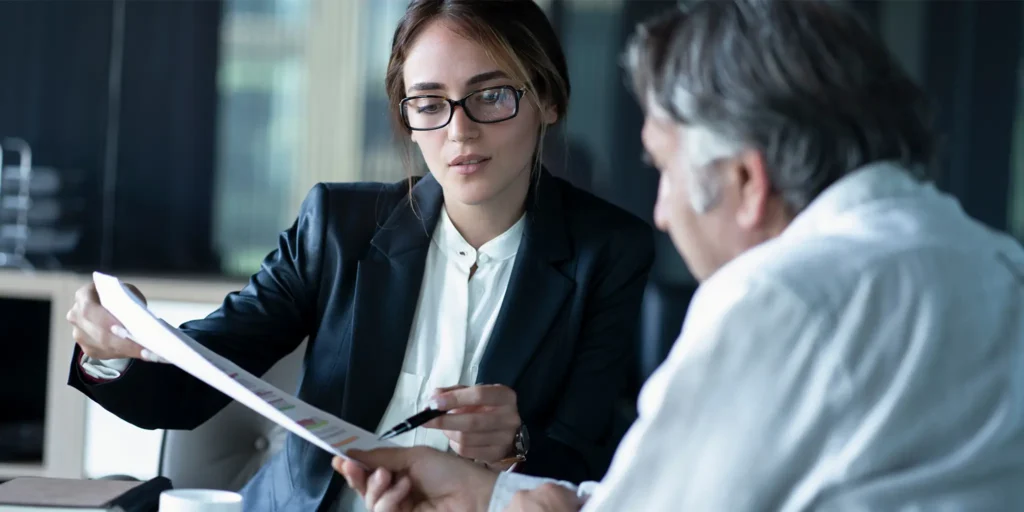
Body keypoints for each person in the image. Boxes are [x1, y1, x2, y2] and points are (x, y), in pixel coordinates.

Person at [332, 0, 1024, 511]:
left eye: (665, 168)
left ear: (746, 183)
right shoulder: (993, 263)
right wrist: (491, 494)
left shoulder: (780, 298)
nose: (661, 212)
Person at [64, 0, 655, 510]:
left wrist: (514, 446)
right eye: (429, 103)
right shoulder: (337, 227)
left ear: (548, 99)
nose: (459, 132)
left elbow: (595, 464)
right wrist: (110, 346)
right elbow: (192, 385)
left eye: (491, 95)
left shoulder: (609, 253)